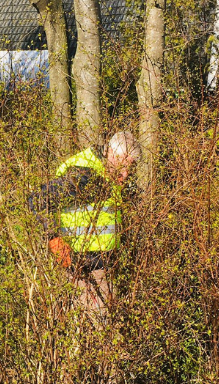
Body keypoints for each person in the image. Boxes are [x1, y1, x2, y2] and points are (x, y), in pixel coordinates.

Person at [29, 132, 140, 320]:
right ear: (110, 153)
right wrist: (54, 239)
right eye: (123, 165)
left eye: (131, 168)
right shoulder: (85, 175)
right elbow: (38, 200)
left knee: (103, 329)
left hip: (102, 264)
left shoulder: (108, 174)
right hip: (81, 267)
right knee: (101, 328)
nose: (126, 174)